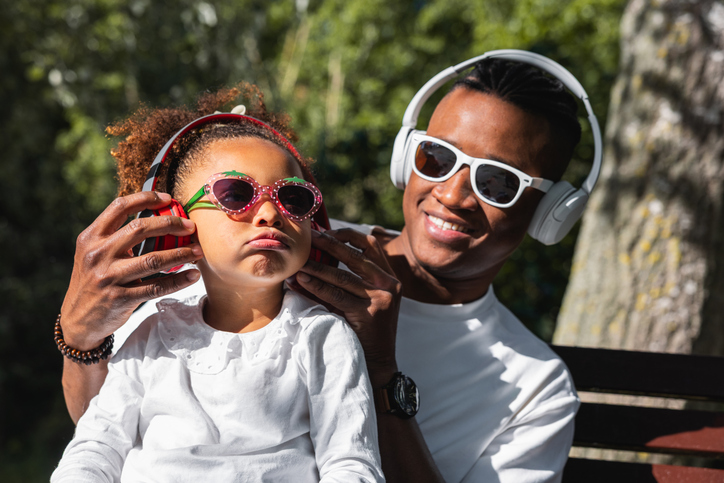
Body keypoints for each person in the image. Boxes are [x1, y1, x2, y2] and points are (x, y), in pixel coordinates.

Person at [59, 56, 586, 482]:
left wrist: (382, 373)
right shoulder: (269, 246)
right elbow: (106, 425)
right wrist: (81, 334)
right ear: (407, 157)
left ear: (548, 214)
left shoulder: (536, 389)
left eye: (498, 184)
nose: (452, 195)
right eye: (437, 158)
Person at [51, 85, 384, 482]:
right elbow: (96, 446)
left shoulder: (323, 338)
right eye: (236, 193)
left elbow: (351, 464)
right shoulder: (151, 335)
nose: (269, 214)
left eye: (293, 199)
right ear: (175, 221)